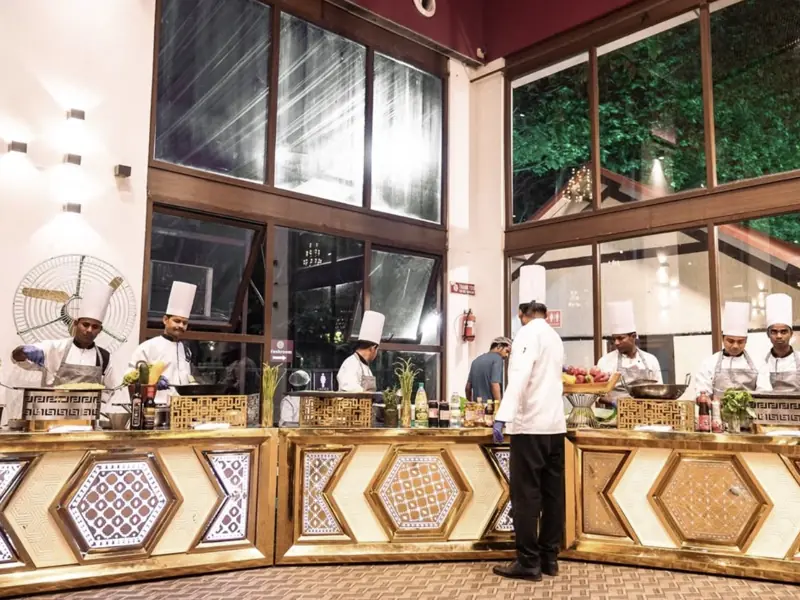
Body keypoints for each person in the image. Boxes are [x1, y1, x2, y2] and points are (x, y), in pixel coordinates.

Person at [492, 268, 565, 582]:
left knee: (526, 496)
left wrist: (502, 416)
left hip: (531, 427)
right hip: (555, 427)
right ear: (544, 311)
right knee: (552, 495)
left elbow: (519, 377)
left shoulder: (526, 333)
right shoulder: (554, 335)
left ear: (522, 312)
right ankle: (550, 559)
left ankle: (528, 562)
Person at [9, 281, 120, 416]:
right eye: (85, 324)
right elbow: (20, 359)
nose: (89, 330)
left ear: (100, 330)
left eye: (95, 327)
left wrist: (93, 404)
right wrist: (22, 352)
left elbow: (111, 388)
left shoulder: (104, 358)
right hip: (49, 418)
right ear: (75, 323)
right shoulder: (55, 348)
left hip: (86, 421)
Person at [127, 281, 197, 404]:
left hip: (182, 408)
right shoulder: (148, 347)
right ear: (165, 320)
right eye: (177, 321)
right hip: (155, 407)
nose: (180, 326)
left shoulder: (185, 350)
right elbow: (130, 377)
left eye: (184, 323)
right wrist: (151, 381)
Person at [696, 301, 769, 397]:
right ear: (723, 338)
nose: (735, 346)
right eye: (730, 341)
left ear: (746, 340)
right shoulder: (709, 363)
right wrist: (705, 399)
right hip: (718, 411)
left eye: (740, 342)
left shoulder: (759, 363)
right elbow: (702, 392)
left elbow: (764, 393)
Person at [597, 300, 663, 403]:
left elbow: (660, 390)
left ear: (633, 337)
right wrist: (613, 402)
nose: (616, 343)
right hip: (615, 415)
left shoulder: (651, 360)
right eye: (614, 339)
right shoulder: (605, 362)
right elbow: (599, 395)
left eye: (620, 338)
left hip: (647, 414)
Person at [757, 294, 798, 392]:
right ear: (768, 334)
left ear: (791, 333)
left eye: (783, 331)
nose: (779, 336)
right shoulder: (761, 362)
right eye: (774, 332)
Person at [337, 311, 385, 392]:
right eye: (377, 349)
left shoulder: (366, 368)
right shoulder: (351, 363)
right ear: (372, 348)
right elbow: (347, 387)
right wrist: (365, 392)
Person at [465, 337, 512, 403]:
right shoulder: (497, 359)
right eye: (507, 351)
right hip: (490, 408)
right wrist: (499, 407)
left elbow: (468, 387)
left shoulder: (476, 361)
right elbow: (495, 384)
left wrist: (470, 403)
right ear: (499, 346)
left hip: (477, 408)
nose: (507, 355)